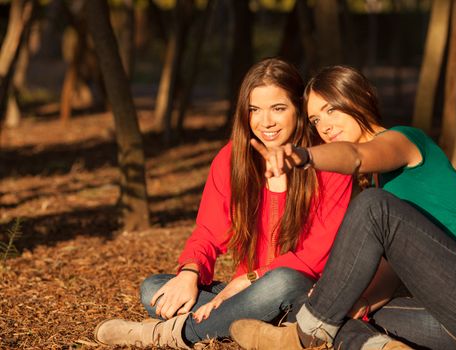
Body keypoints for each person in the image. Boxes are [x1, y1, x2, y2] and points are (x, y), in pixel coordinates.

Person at [230, 65, 456, 350]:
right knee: (344, 317)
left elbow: (357, 156)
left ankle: (300, 336)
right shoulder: (384, 191)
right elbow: (389, 274)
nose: (325, 126)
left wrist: (304, 156)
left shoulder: (405, 140)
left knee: (372, 206)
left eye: (331, 109)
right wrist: (340, 301)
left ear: (360, 98)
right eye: (316, 120)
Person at [93, 58, 353, 348]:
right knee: (154, 289)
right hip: (247, 296)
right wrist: (190, 273)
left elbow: (312, 257)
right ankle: (250, 325)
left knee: (282, 281)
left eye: (278, 109)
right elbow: (208, 231)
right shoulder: (232, 160)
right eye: (255, 110)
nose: (265, 122)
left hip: (303, 293)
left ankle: (169, 334)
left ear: (299, 110)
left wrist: (246, 281)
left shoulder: (326, 161)